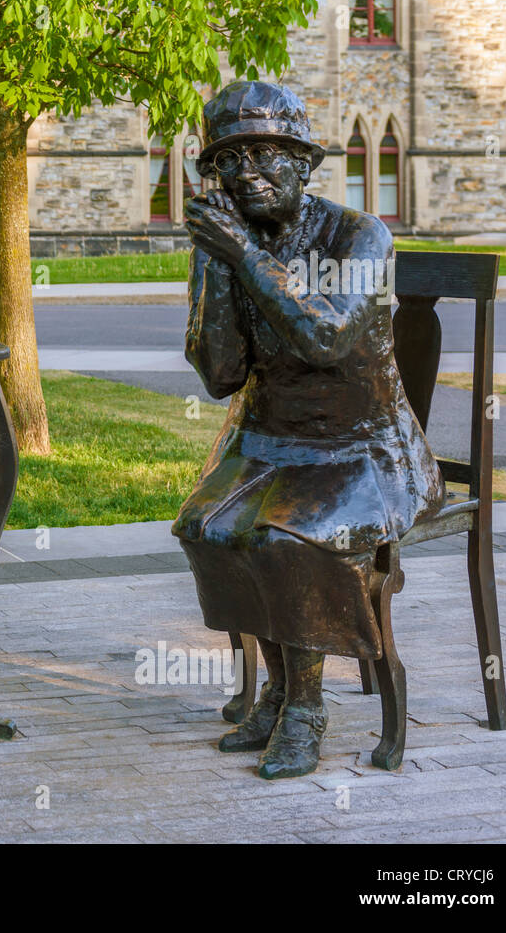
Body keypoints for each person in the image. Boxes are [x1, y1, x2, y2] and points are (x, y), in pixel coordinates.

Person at [174, 81, 444, 779]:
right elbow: (221, 375)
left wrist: (241, 255)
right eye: (226, 162)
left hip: (364, 446)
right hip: (269, 439)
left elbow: (325, 336)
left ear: (305, 161)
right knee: (208, 526)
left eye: (265, 154)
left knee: (282, 536)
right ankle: (278, 688)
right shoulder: (231, 242)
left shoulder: (359, 236)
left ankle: (307, 708)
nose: (246, 174)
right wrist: (213, 267)